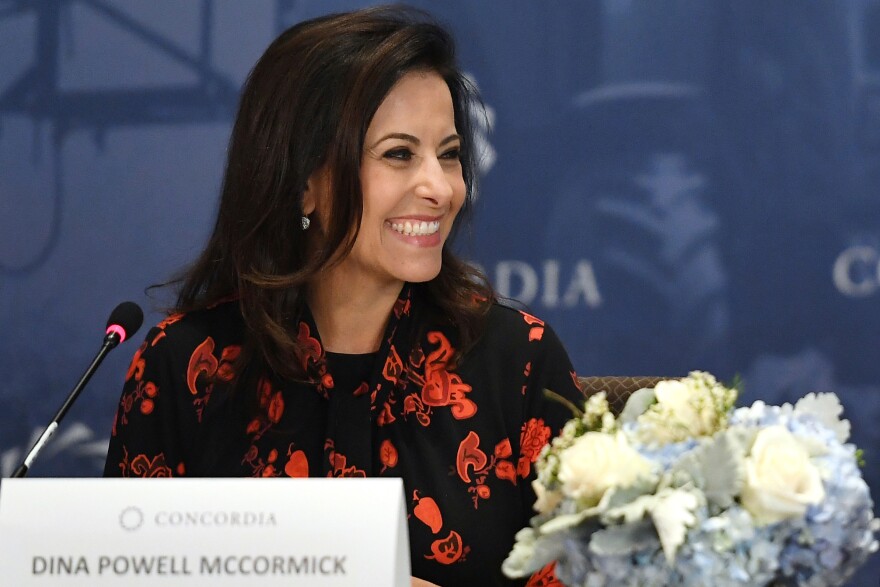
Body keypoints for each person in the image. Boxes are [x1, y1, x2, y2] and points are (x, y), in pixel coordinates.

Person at [104, 6, 584, 586]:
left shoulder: (519, 360)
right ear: (303, 182)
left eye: (450, 154)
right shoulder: (187, 366)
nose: (440, 187)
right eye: (399, 154)